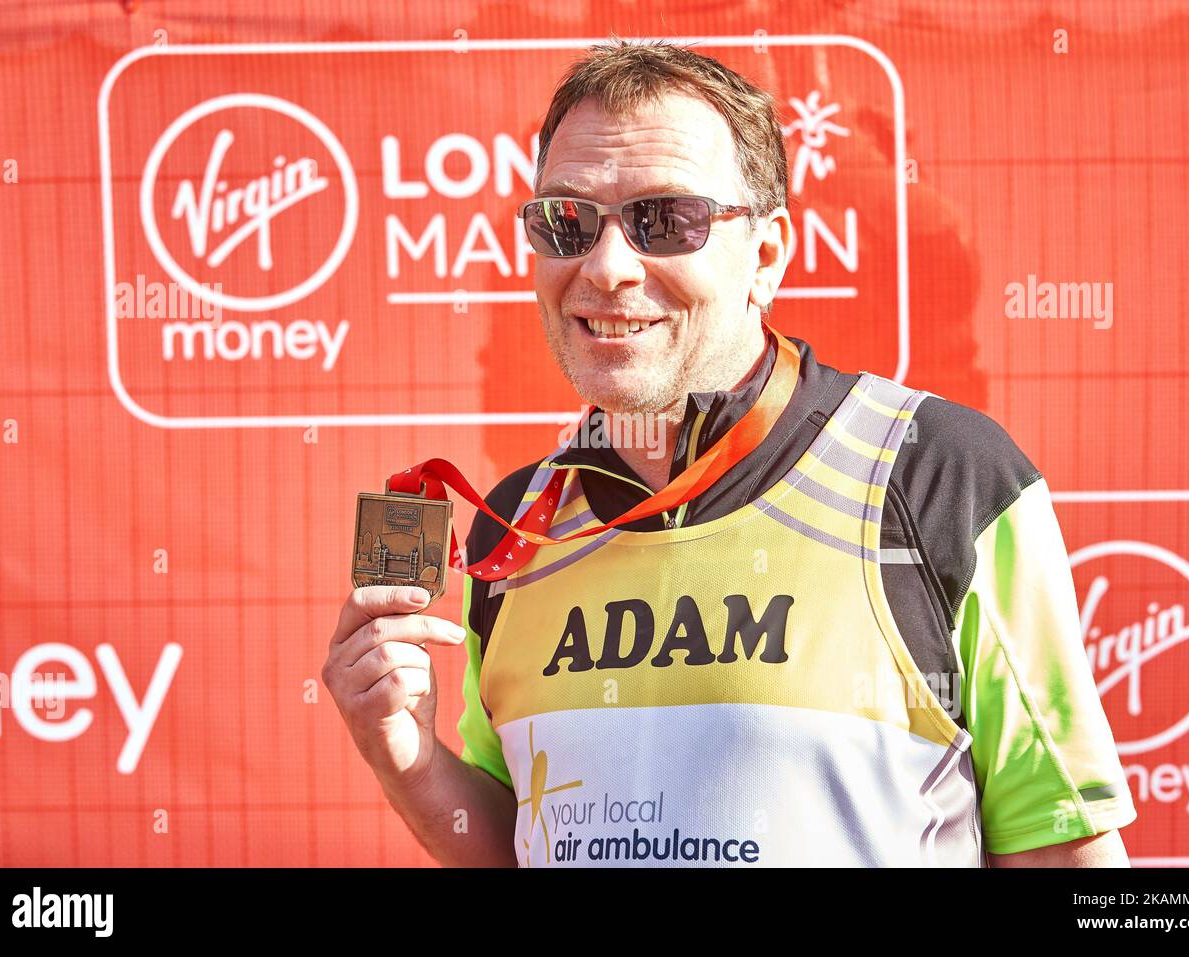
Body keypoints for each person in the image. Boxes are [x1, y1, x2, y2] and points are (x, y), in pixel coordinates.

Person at [323, 39, 1136, 867]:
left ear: (768, 255)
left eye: (665, 221)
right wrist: (412, 763)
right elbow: (521, 845)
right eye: (566, 220)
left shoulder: (938, 475)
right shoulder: (513, 532)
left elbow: (1065, 854)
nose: (605, 267)